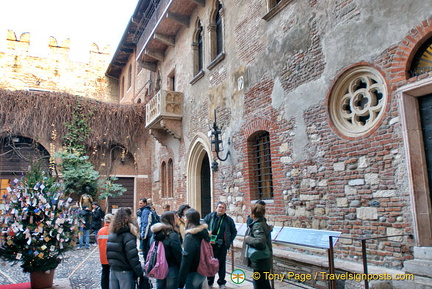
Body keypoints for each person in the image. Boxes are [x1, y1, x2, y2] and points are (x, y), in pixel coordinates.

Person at [106, 207, 143, 289]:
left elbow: (108, 254)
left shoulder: (112, 235)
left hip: (113, 269)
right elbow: (132, 256)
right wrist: (139, 272)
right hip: (125, 271)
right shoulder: (128, 235)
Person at [203, 202, 237, 289]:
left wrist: (228, 241)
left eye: (223, 207)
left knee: (221, 265)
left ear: (225, 209)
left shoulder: (228, 220)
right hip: (210, 246)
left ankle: (221, 282)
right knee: (210, 264)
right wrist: (207, 234)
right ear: (216, 208)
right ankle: (210, 281)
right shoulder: (209, 217)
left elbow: (234, 232)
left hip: (222, 246)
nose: (220, 209)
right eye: (219, 207)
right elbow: (203, 227)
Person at [150, 211, 182, 289]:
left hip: (159, 266)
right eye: (176, 217)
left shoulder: (155, 234)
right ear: (171, 220)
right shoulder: (172, 235)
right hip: (171, 266)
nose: (178, 219)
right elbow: (177, 253)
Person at [178, 208, 209, 289]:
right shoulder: (203, 232)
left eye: (185, 217)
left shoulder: (190, 236)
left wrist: (181, 281)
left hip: (193, 271)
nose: (183, 219)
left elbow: (186, 260)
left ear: (189, 219)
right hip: (202, 269)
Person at [244, 203, 272, 289]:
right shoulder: (262, 222)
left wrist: (248, 239)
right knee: (265, 283)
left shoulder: (257, 225)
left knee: (259, 283)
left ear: (253, 214)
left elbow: (260, 242)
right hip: (264, 259)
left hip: (260, 260)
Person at [97, 213, 113, 289]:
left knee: (105, 273)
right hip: (112, 255)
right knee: (113, 274)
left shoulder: (100, 231)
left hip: (103, 255)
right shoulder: (113, 230)